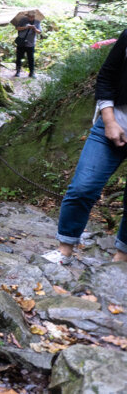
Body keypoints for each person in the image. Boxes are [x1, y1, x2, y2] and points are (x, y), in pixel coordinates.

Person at [46, 29, 127, 266]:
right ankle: (64, 250)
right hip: (111, 126)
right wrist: (109, 121)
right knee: (83, 187)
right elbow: (106, 77)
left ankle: (121, 257)